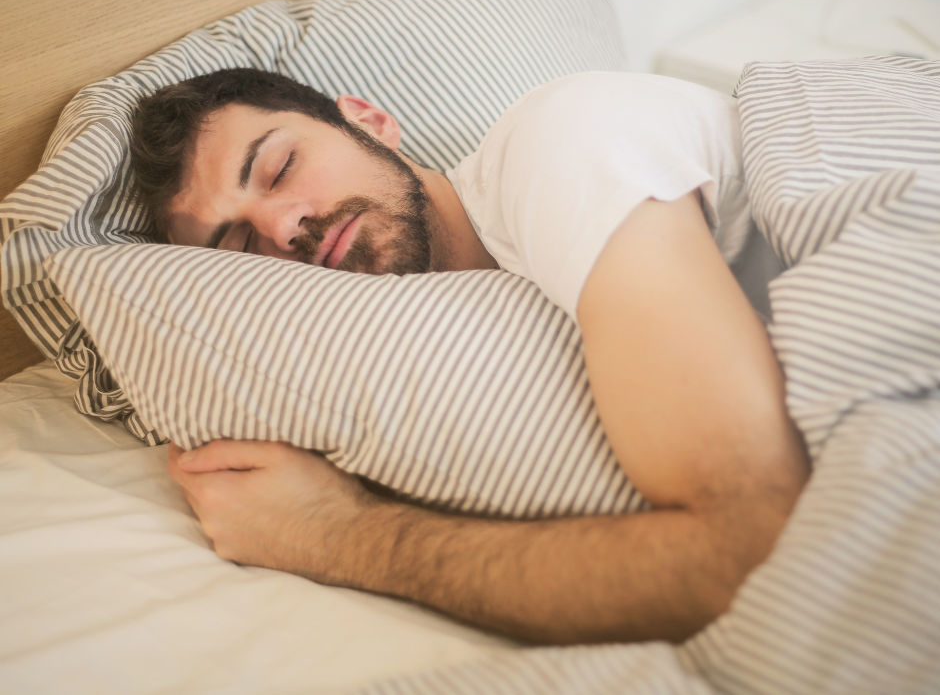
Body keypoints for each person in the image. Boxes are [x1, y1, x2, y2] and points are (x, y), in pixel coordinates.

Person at [130, 67, 809, 645]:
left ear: (368, 121)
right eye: (241, 246)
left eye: (279, 167)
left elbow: (754, 551)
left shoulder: (559, 146)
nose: (282, 227)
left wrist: (335, 535)